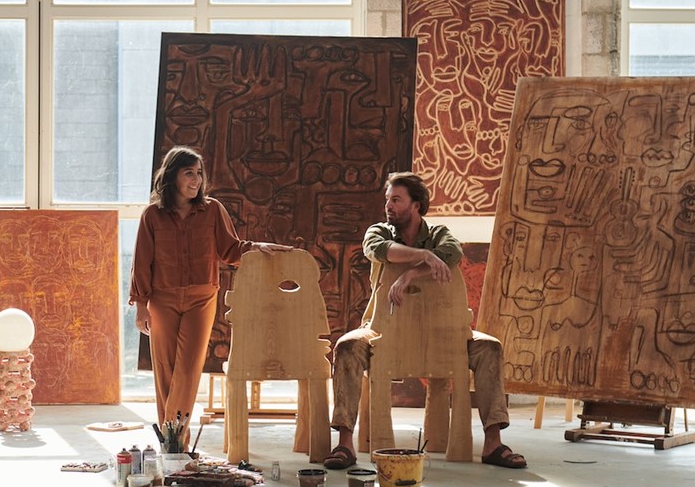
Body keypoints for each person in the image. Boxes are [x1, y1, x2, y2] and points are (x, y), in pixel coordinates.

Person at [324, 172, 526, 470]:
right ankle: (344, 444)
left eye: (396, 200)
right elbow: (378, 250)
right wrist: (424, 256)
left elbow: (451, 253)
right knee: (346, 347)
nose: (388, 206)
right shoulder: (379, 231)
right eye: (388, 200)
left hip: (442, 334)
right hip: (382, 331)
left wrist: (412, 273)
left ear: (416, 205)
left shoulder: (439, 234)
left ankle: (493, 444)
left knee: (490, 348)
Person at [130, 146, 293, 428]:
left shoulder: (213, 209)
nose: (196, 180)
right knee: (165, 370)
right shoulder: (152, 215)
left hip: (201, 299)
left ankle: (172, 436)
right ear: (172, 175)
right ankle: (173, 441)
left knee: (188, 368)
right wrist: (141, 306)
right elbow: (142, 262)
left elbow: (230, 249)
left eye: (199, 173)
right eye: (189, 173)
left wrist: (256, 247)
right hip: (162, 299)